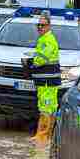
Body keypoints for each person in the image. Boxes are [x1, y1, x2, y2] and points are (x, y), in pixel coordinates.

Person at [29, 12, 62, 145]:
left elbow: (42, 59)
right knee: (47, 107)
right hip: (45, 81)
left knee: (46, 108)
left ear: (49, 26)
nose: (40, 27)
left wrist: (32, 63)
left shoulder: (48, 40)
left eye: (43, 25)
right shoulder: (43, 39)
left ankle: (43, 137)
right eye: (38, 25)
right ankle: (44, 136)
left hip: (48, 81)